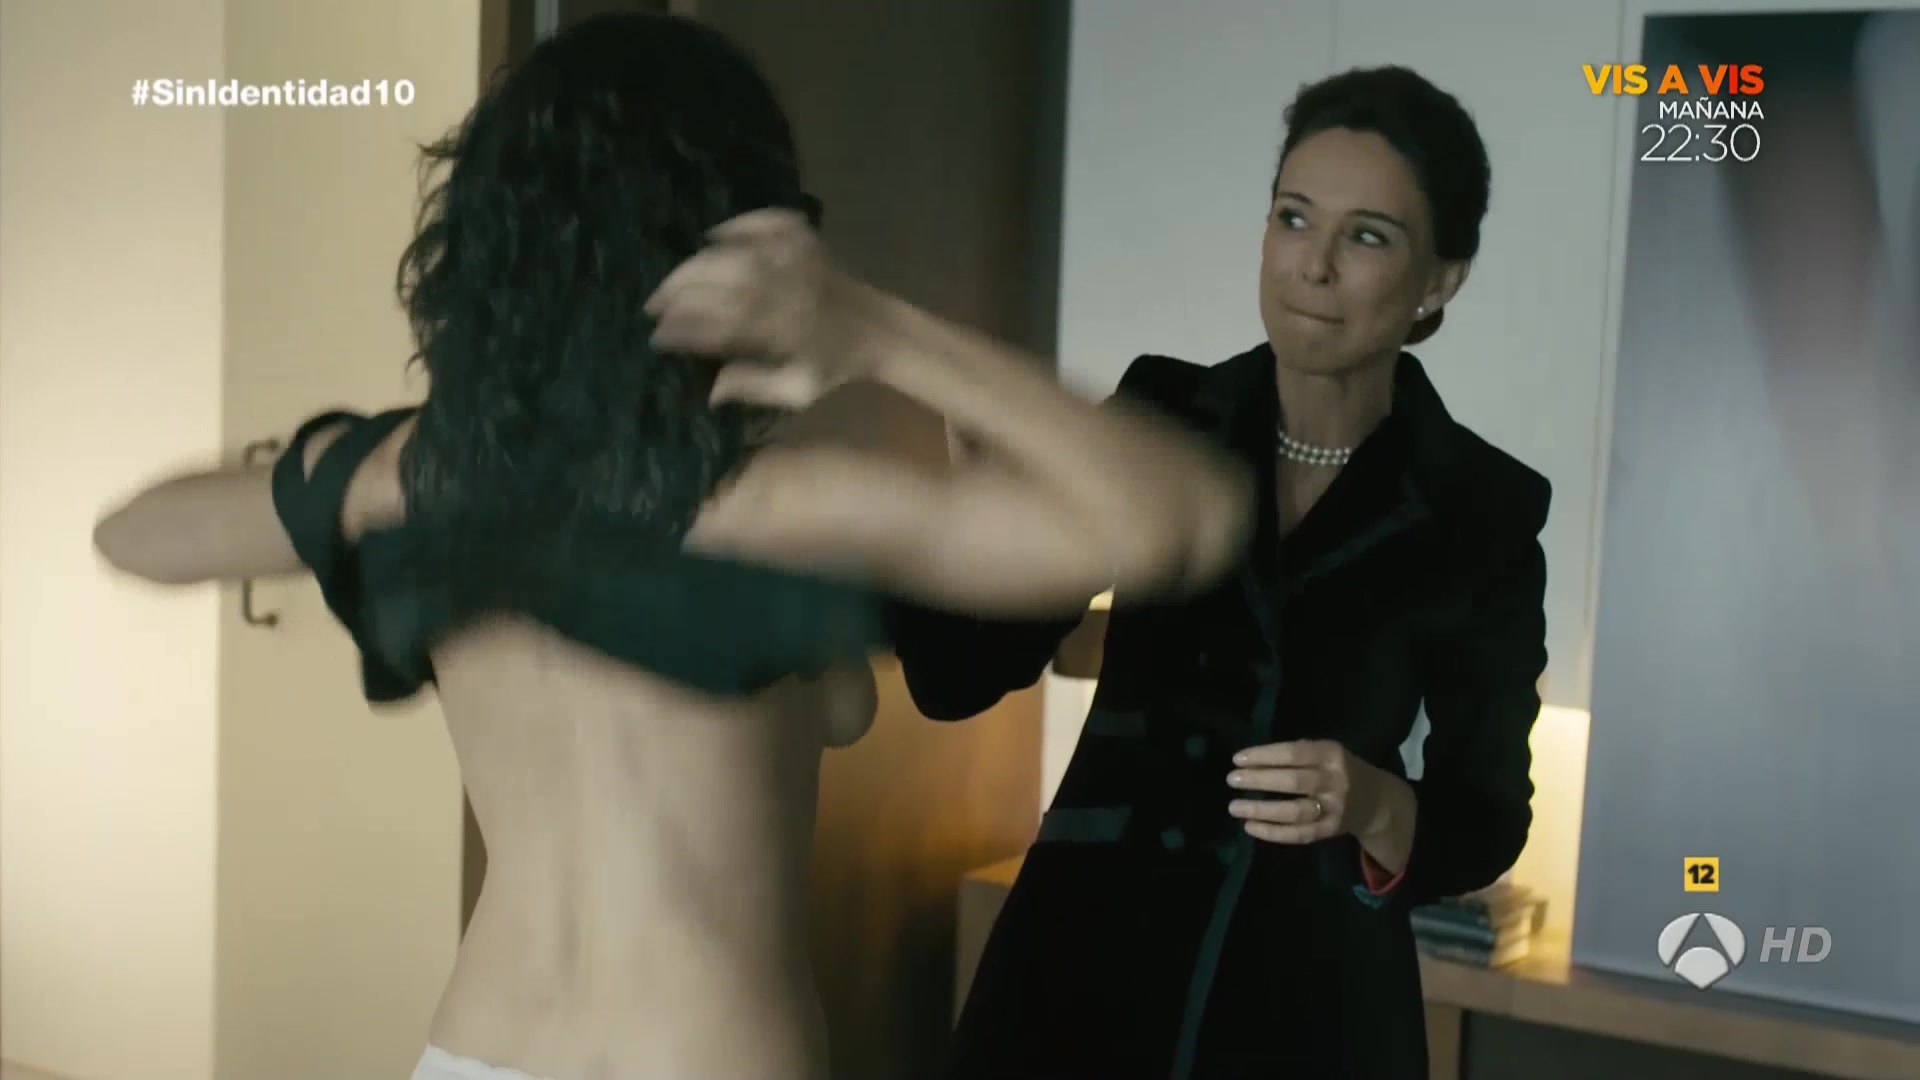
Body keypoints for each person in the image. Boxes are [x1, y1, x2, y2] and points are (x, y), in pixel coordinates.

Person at [89, 13, 1252, 1080]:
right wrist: (872, 327)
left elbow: (135, 534)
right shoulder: (766, 510)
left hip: (476, 1051)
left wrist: (389, 470)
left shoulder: (437, 488)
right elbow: (1182, 516)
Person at [886, 66, 1551, 1078]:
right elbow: (959, 677)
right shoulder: (1162, 416)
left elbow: (1486, 815)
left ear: (1439, 280)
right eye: (1294, 217)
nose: (1313, 265)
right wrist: (971, 524)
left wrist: (1375, 802)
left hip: (1307, 1010)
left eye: (1368, 236)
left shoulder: (1483, 510)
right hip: (1078, 978)